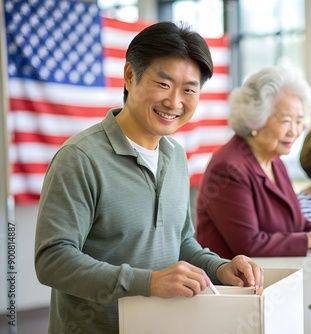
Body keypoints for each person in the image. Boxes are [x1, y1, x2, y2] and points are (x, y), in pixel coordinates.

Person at [34, 21, 263, 333]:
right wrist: (149, 282)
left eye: (189, 90)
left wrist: (220, 267)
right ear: (130, 76)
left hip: (165, 325)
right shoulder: (80, 158)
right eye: (164, 84)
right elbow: (52, 261)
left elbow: (180, 241)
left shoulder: (176, 156)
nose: (174, 102)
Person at [195, 66, 311, 259]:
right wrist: (310, 241)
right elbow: (249, 244)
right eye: (286, 120)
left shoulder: (275, 161)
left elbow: (293, 224)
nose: (294, 131)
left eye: (299, 121)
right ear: (256, 118)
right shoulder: (228, 167)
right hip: (232, 285)